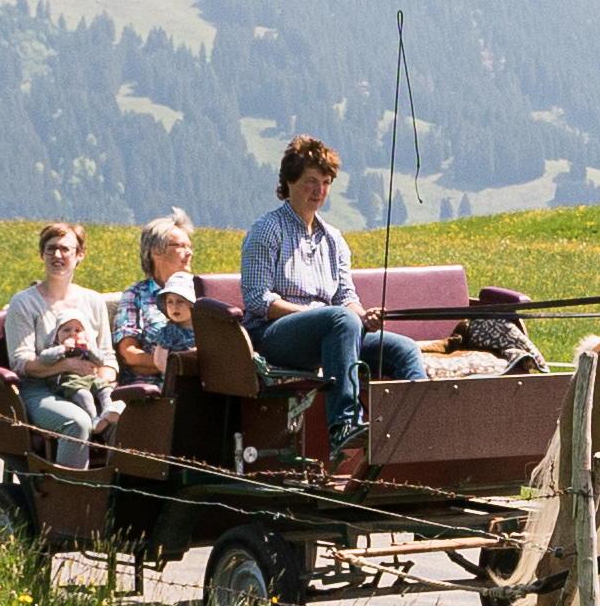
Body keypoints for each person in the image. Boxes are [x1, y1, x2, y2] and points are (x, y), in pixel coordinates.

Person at [238, 136, 419, 449]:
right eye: (310, 181)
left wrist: (365, 317)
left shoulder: (333, 239)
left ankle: (417, 430)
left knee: (403, 349)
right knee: (340, 321)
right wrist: (317, 316)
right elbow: (257, 300)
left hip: (334, 332)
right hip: (274, 336)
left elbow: (346, 297)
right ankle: (344, 425)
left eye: (325, 182)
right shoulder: (267, 229)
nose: (318, 191)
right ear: (289, 181)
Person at [0, 221, 119, 466]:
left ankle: (112, 493)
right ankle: (68, 495)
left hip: (88, 385)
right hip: (39, 389)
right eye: (51, 248)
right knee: (78, 423)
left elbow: (107, 356)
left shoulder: (94, 301)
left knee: (127, 419)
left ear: (79, 255)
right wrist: (66, 367)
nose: (57, 255)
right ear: (42, 254)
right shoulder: (24, 303)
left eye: (65, 249)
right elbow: (21, 362)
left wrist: (102, 380)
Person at [109, 214, 206, 380]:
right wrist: (175, 363)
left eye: (190, 246)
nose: (189, 252)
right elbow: (129, 354)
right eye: (181, 246)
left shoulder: (200, 291)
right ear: (156, 251)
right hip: (153, 391)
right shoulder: (136, 294)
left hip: (200, 385)